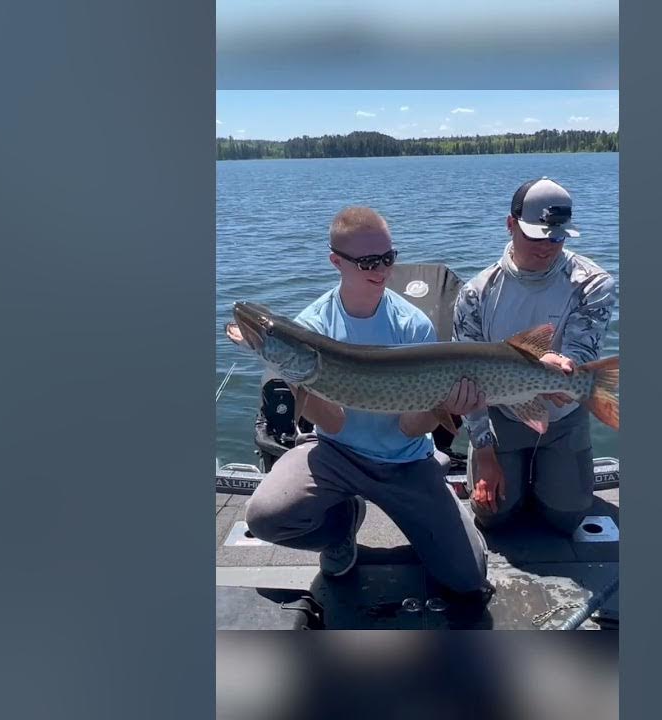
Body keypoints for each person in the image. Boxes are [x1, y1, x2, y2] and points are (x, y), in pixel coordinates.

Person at [244, 206, 490, 596]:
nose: (382, 269)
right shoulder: (313, 326)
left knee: (468, 578)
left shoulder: (413, 325)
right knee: (264, 518)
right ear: (336, 262)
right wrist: (293, 376)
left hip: (406, 460)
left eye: (388, 258)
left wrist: (447, 407)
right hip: (336, 453)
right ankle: (340, 528)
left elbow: (409, 427)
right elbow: (334, 423)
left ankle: (441, 503)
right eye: (368, 262)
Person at [453, 177, 617, 535]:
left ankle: (545, 478)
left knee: (566, 519)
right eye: (536, 237)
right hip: (502, 415)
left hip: (563, 418)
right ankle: (518, 475)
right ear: (510, 224)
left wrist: (567, 368)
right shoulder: (475, 294)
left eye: (556, 238)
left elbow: (580, 351)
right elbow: (467, 382)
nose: (546, 248)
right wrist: (484, 453)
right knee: (493, 517)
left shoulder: (594, 283)